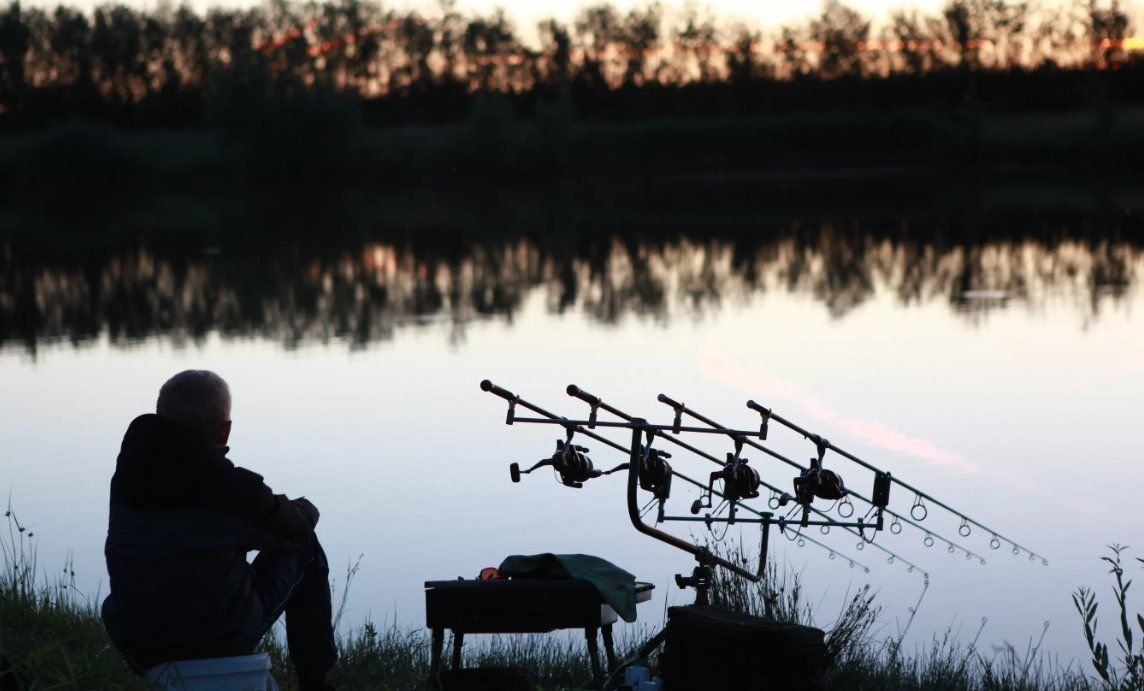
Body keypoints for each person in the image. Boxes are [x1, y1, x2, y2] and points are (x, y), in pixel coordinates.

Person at [101, 370, 337, 691]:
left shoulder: (128, 476)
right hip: (217, 638)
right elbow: (292, 527)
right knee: (303, 545)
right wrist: (307, 508)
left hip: (138, 640)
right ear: (225, 430)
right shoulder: (227, 486)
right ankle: (316, 683)